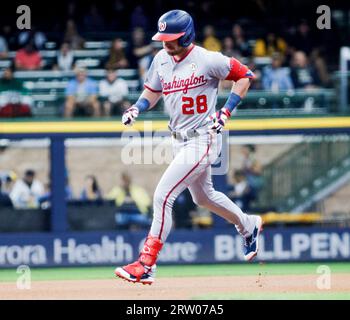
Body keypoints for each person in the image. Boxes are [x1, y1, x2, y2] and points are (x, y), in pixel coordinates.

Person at [115, 10, 262, 285]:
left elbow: (244, 75)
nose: (165, 43)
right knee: (203, 198)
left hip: (203, 138)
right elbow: (153, 91)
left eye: (171, 38)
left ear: (187, 36)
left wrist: (226, 111)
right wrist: (137, 107)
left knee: (163, 196)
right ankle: (248, 225)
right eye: (163, 38)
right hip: (178, 139)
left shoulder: (207, 59)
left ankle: (147, 264)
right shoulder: (160, 59)